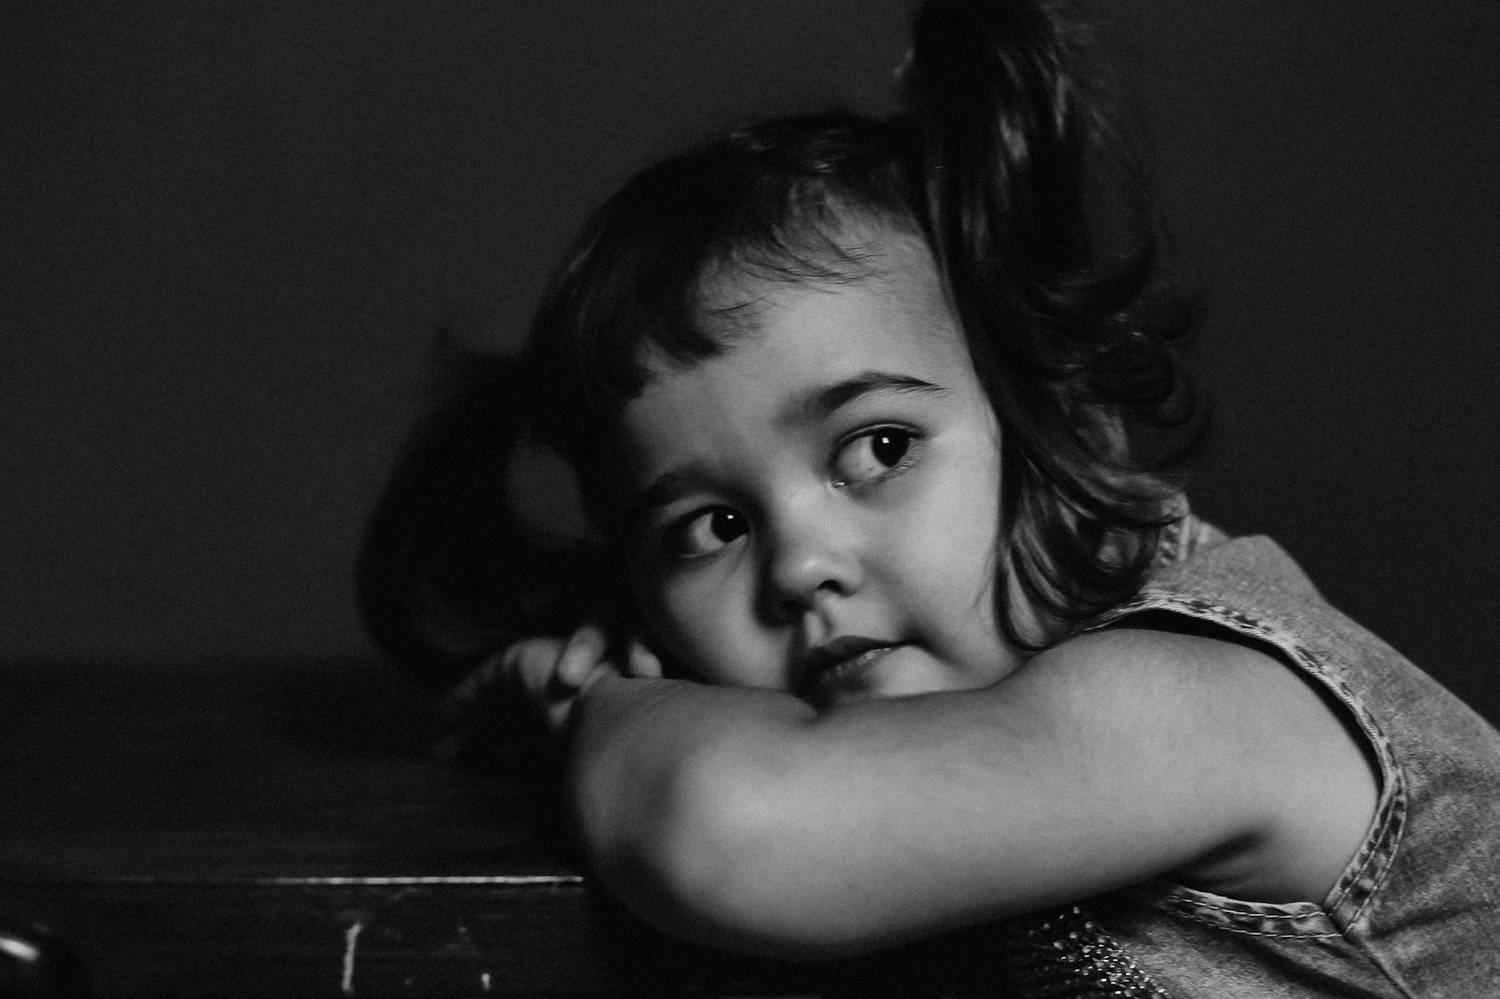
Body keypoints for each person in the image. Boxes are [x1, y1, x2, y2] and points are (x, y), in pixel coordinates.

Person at [358, 1, 1500, 994]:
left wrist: (597, 706)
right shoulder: (988, 726)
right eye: (712, 526)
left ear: (1051, 411)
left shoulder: (1201, 698)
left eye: (880, 446)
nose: (800, 566)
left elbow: (734, 833)